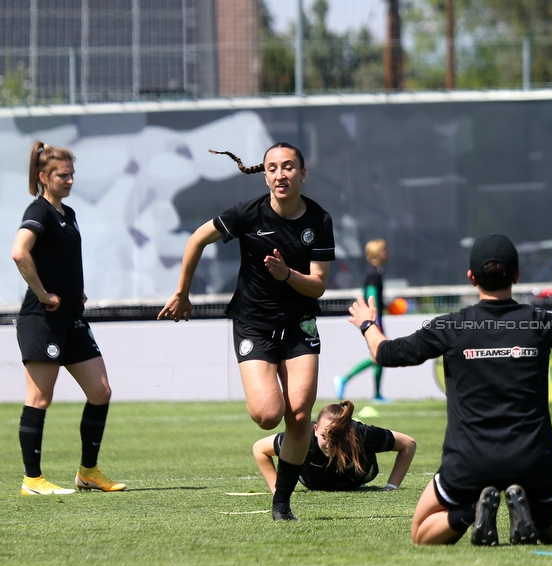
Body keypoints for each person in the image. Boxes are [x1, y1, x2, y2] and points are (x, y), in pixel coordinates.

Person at [348, 234, 552, 546]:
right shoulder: (539, 322)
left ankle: (470, 512)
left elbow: (385, 354)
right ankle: (532, 512)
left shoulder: (451, 326)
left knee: (421, 532)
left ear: (471, 277)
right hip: (534, 459)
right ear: (516, 275)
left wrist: (368, 325)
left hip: (468, 462)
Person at [159, 144, 335, 521]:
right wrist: (182, 292)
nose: (280, 174)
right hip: (254, 323)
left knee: (301, 415)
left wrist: (287, 274)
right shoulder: (246, 213)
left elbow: (318, 286)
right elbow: (195, 240)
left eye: (288, 167)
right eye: (273, 168)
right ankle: (274, 449)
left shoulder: (319, 220)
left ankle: (282, 501)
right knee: (269, 414)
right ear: (265, 175)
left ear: (303, 174)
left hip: (300, 323)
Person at [10, 142, 125, 496]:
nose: (71, 179)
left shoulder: (68, 213)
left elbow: (60, 259)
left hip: (72, 317)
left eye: (73, 174)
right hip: (42, 319)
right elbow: (19, 252)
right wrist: (44, 294)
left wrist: (76, 292)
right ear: (44, 177)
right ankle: (32, 480)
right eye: (64, 175)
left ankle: (88, 472)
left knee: (100, 391)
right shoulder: (39, 210)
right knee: (39, 398)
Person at [252, 399, 416, 492]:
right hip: (313, 483)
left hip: (357, 480)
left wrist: (392, 486)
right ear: (315, 430)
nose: (330, 443)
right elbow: (259, 449)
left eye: (337, 436)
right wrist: (277, 490)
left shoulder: (361, 433)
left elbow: (408, 444)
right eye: (324, 436)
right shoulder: (303, 437)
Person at [334, 239, 389, 402]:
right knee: (379, 355)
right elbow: (371, 296)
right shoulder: (374, 273)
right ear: (377, 252)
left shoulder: (374, 271)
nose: (387, 253)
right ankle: (345, 379)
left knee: (379, 356)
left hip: (375, 318)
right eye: (384, 250)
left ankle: (376, 394)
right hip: (374, 319)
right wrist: (375, 320)